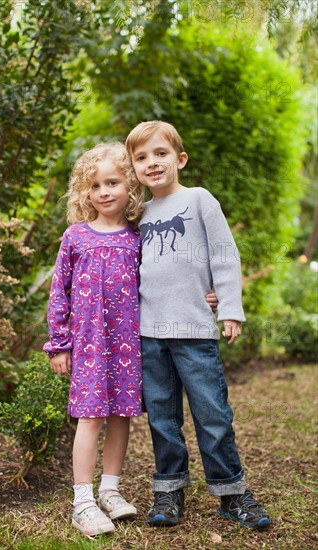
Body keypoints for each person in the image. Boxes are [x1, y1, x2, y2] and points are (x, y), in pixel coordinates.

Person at [125, 120, 270, 529]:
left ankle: (231, 493)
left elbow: (225, 254)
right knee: (162, 418)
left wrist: (229, 306)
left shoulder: (199, 199)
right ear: (134, 167)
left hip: (193, 332)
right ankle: (168, 491)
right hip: (150, 334)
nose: (152, 163)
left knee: (211, 414)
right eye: (141, 158)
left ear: (180, 159)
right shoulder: (139, 214)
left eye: (160, 154)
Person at [43, 143, 145, 537]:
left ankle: (110, 489)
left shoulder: (137, 238)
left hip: (126, 345)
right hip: (87, 345)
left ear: (129, 187)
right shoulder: (75, 237)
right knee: (91, 417)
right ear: (85, 193)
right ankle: (82, 500)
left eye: (113, 182)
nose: (104, 191)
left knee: (121, 415)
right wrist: (59, 343)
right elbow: (59, 292)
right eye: (95, 185)